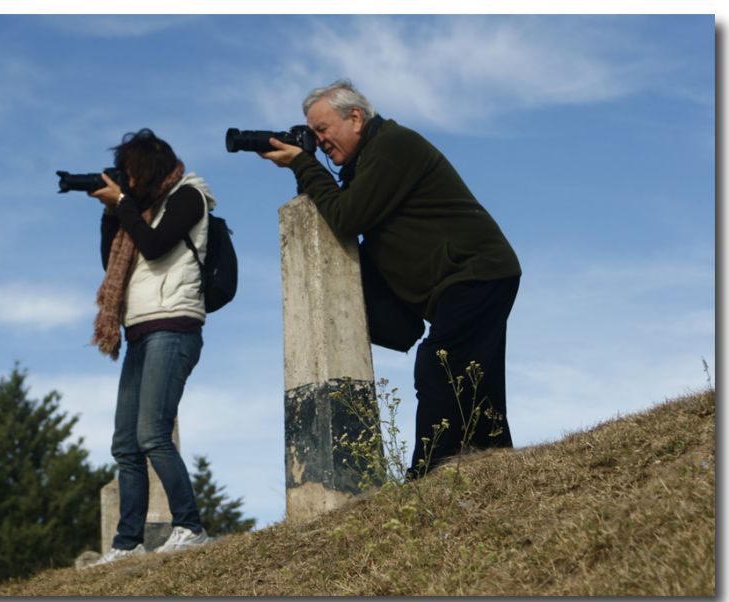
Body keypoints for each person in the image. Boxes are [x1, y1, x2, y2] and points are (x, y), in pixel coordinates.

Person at [259, 80, 522, 476]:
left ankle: (428, 474)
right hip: (467, 279)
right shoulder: (365, 164)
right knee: (474, 382)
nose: (319, 140)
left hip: (476, 272)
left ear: (356, 117)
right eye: (312, 134)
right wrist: (307, 167)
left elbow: (348, 218)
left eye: (322, 129)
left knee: (438, 366)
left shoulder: (392, 146)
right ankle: (495, 461)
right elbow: (338, 210)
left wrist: (303, 163)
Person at [87, 129, 213, 565]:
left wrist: (122, 205)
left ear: (150, 167)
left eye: (133, 172)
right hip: (140, 330)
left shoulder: (189, 196)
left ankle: (190, 527)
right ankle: (127, 543)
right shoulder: (136, 210)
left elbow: (157, 248)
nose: (130, 181)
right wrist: (111, 213)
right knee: (125, 443)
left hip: (174, 326)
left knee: (152, 433)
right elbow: (112, 263)